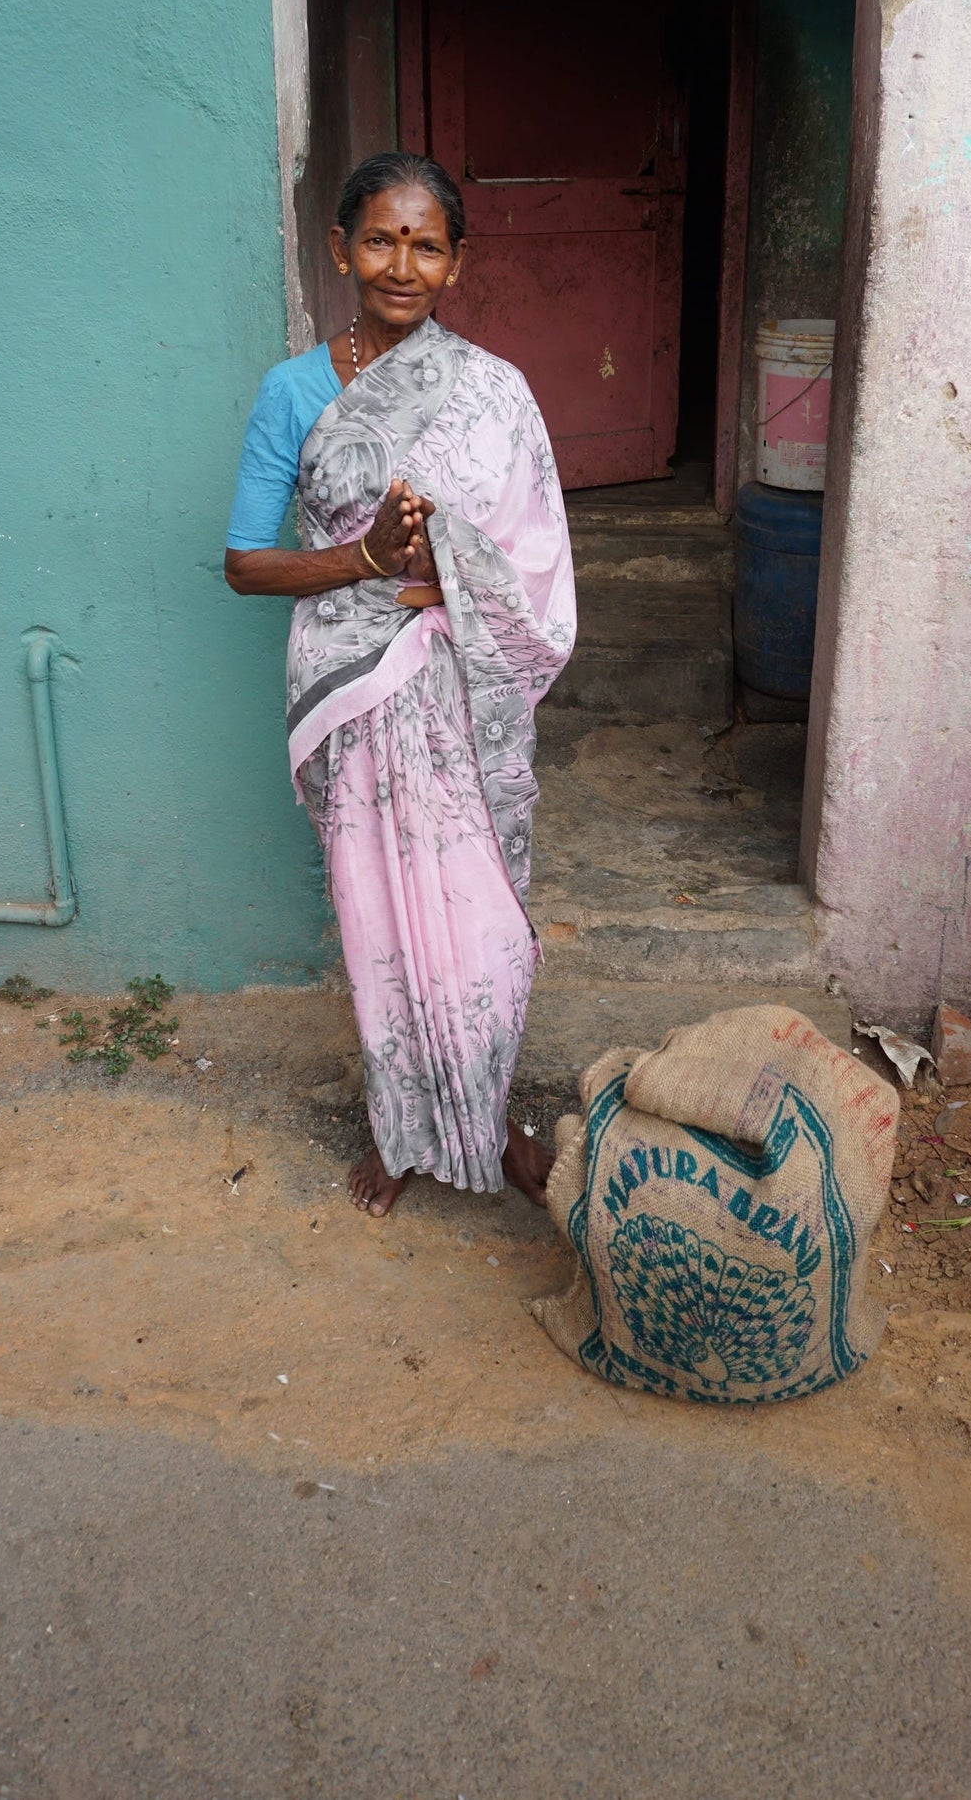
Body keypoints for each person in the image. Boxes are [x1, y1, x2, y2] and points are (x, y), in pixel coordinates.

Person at [224, 152, 575, 1216]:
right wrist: (366, 561)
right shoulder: (291, 393)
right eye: (380, 239)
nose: (401, 264)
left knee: (486, 926)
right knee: (377, 916)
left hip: (458, 685)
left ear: (457, 263)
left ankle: (492, 1116)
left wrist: (448, 567)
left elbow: (537, 556)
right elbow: (246, 565)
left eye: (427, 244)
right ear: (340, 249)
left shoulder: (495, 395)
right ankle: (401, 1124)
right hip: (353, 685)